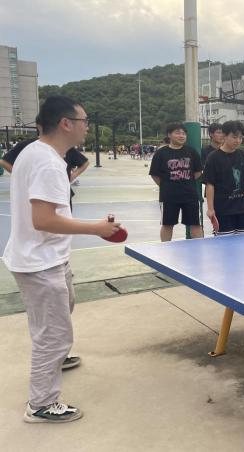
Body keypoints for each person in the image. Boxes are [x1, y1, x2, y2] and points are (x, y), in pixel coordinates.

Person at [2, 96, 120, 423]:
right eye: (84, 121)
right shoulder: (49, 163)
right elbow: (43, 219)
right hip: (40, 262)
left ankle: (56, 358)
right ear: (66, 124)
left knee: (59, 314)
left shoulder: (35, 152)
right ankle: (41, 404)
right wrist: (96, 229)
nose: (87, 127)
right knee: (53, 335)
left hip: (44, 256)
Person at [149, 122, 203, 242]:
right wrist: (167, 185)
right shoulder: (160, 153)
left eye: (184, 133)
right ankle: (165, 248)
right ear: (169, 135)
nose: (181, 136)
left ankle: (199, 247)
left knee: (195, 224)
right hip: (169, 197)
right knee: (167, 224)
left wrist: (186, 182)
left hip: (190, 195)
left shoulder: (191, 152)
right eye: (178, 133)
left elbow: (198, 172)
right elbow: (154, 174)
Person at [203, 121, 244, 235]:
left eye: (240, 137)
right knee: (225, 243)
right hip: (223, 210)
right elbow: (210, 185)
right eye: (234, 137)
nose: (238, 140)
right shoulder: (213, 158)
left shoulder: (243, 155)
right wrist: (210, 208)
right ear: (224, 135)